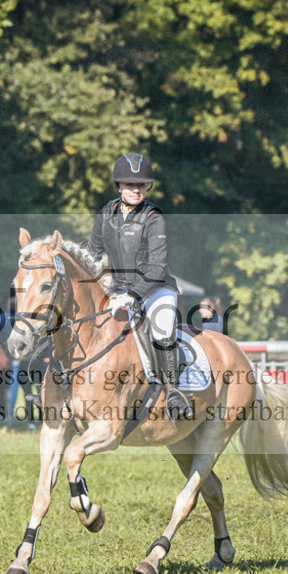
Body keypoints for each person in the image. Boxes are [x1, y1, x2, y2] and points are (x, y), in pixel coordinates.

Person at [86, 152, 192, 421]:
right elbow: (92, 255)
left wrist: (133, 295)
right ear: (119, 186)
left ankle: (173, 392)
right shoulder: (105, 214)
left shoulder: (153, 217)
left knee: (162, 329)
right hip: (118, 290)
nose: (137, 190)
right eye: (130, 184)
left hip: (156, 289)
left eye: (142, 185)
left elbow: (157, 268)